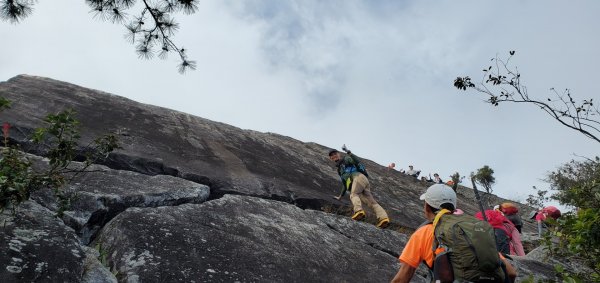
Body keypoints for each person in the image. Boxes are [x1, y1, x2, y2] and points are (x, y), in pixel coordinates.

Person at [391, 184, 516, 282]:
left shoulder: (424, 233)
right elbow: (511, 273)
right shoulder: (474, 232)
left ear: (427, 207)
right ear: (453, 208)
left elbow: (402, 278)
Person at [328, 149, 390, 228]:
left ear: (339, 154)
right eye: (331, 155)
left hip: (358, 177)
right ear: (330, 158)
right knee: (371, 203)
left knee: (353, 194)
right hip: (362, 182)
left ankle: (359, 211)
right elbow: (344, 184)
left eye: (334, 154)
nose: (333, 156)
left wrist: (349, 153)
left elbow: (356, 161)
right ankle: (384, 219)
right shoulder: (339, 169)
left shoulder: (346, 159)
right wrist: (340, 196)